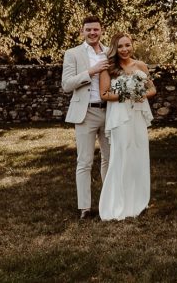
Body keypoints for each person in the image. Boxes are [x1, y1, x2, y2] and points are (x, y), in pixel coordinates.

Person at [98, 33, 155, 220]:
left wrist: (141, 94)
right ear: (115, 48)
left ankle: (139, 200)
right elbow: (105, 94)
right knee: (121, 156)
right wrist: (127, 94)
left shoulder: (140, 66)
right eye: (120, 46)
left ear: (132, 45)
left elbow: (152, 89)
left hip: (137, 115)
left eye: (127, 45)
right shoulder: (109, 68)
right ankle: (117, 202)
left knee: (138, 155)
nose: (124, 49)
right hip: (119, 117)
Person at [61, 15, 110, 220]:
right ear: (82, 31)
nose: (92, 33)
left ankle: (108, 204)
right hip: (85, 112)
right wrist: (90, 72)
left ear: (101, 31)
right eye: (88, 30)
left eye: (96, 30)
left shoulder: (110, 52)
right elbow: (67, 85)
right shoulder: (72, 54)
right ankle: (85, 208)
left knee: (110, 159)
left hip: (109, 111)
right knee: (85, 161)